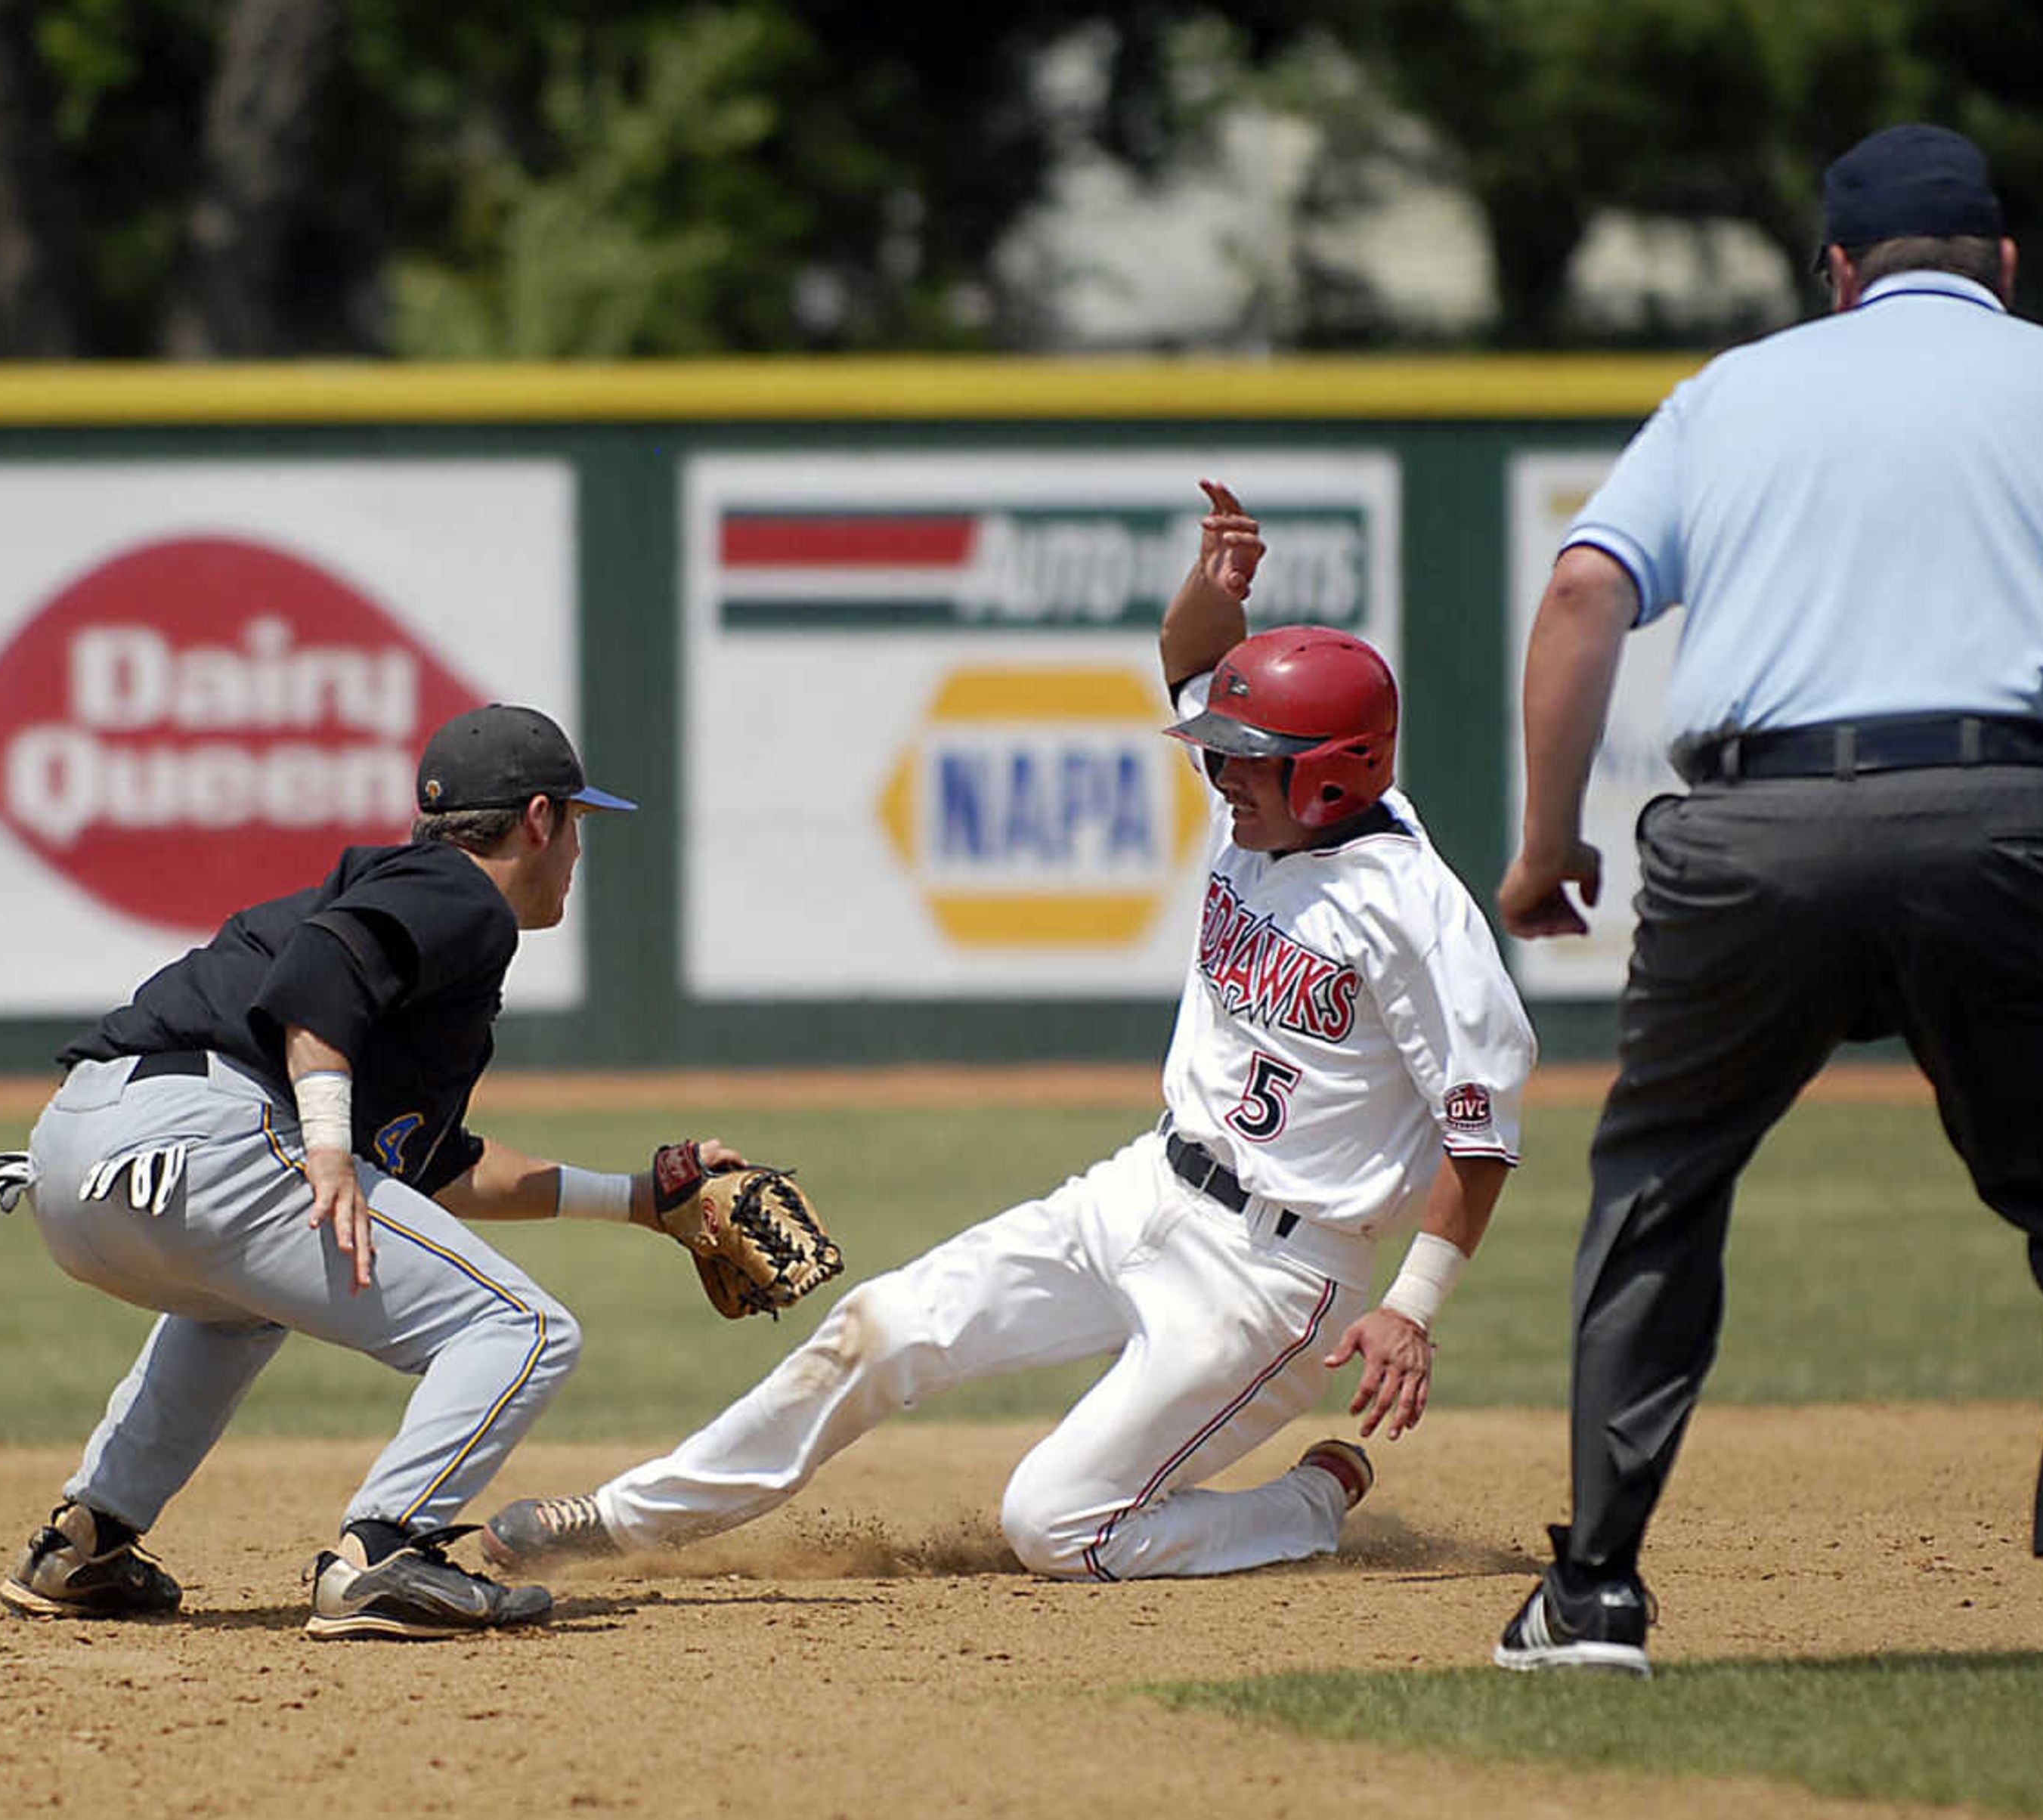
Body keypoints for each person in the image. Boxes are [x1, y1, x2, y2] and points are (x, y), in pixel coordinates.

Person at [1492, 123, 2043, 1678]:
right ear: (2003, 267)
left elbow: (1579, 593)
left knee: (1662, 1185)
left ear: (1837, 272)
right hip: (2017, 824)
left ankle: (1597, 1593)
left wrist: (1545, 844)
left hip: (1754, 833)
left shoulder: (1735, 389)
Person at [478, 481, 1538, 1583]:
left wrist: (1411, 1307)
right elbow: (1188, 655)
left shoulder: (1414, 912)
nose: (1220, 772)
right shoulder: (1264, 806)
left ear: (1331, 772)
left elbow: (1483, 1130)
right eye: (1218, 750)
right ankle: (621, 1518)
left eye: (1246, 754)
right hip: (1147, 1187)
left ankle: (1309, 1502)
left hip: (1276, 1278)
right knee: (882, 1324)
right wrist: (1213, 586)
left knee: (1058, 1524)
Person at [0, 702, 754, 1640]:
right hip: (206, 1132)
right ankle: (386, 1553)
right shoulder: (459, 895)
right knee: (525, 1329)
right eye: (578, 826)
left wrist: (640, 1200)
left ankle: (86, 1541)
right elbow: (321, 977)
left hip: (78, 1155)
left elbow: (439, 1168)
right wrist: (326, 1143)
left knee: (246, 1300)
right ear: (540, 820)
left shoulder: (416, 920)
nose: (577, 856)